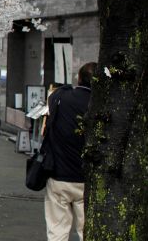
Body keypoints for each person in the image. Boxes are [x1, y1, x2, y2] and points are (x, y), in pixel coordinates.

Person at [43, 62, 96, 241]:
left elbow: (54, 93)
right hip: (87, 180)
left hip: (59, 175)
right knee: (87, 231)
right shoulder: (101, 105)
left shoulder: (60, 98)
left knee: (57, 229)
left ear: (78, 78)